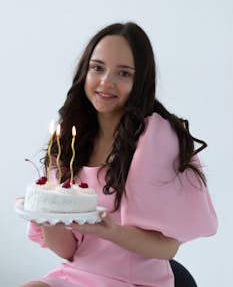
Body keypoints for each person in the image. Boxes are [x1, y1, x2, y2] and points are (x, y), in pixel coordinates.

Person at [20, 22, 218, 287]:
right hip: (79, 275)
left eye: (123, 73)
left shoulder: (156, 139)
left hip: (138, 280)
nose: (106, 82)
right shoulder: (71, 140)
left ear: (140, 81)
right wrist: (46, 214)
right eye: (98, 68)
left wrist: (111, 232)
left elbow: (168, 249)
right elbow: (68, 252)